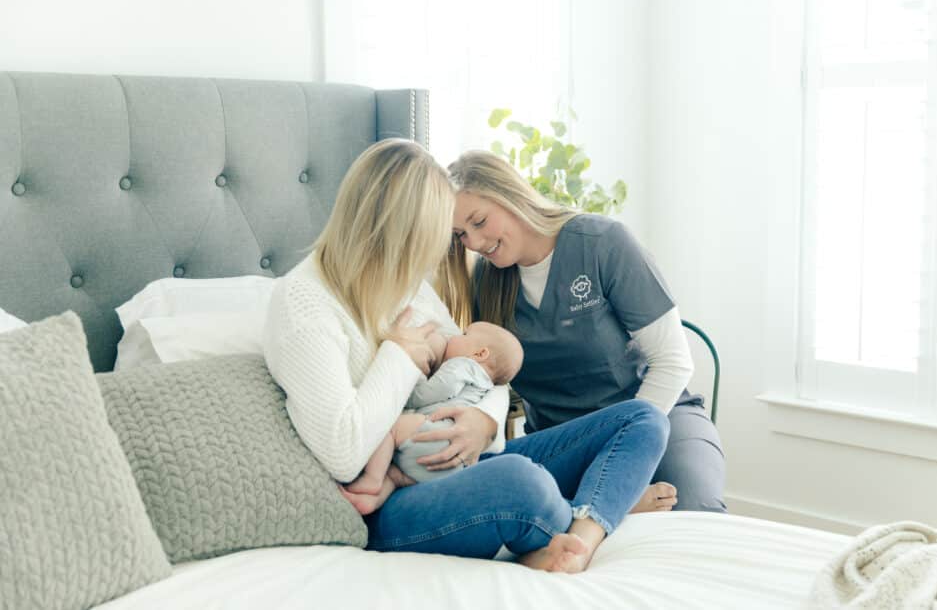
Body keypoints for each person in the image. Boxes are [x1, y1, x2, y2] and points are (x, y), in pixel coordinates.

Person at [263, 138, 670, 573]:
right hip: (393, 495)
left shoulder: (405, 284)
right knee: (520, 481)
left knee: (642, 420)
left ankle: (584, 534)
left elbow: (478, 374)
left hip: (468, 461)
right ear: (397, 229)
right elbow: (342, 452)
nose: (449, 250)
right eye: (440, 235)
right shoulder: (304, 303)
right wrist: (399, 356)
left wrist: (485, 421)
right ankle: (597, 501)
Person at [439, 150, 726, 514]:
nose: (475, 243)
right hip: (566, 441)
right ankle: (606, 503)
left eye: (479, 221)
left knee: (696, 512)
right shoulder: (487, 280)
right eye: (461, 234)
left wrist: (627, 456)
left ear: (510, 194)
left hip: (657, 416)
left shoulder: (602, 243)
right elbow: (487, 379)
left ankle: (605, 500)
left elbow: (673, 361)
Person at [342, 321, 524, 515]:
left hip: (438, 436)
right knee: (398, 476)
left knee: (390, 429)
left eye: (463, 335)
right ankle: (380, 492)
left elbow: (433, 392)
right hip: (456, 462)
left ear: (480, 354)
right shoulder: (485, 385)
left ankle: (372, 479)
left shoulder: (464, 366)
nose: (452, 337)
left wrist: (406, 392)